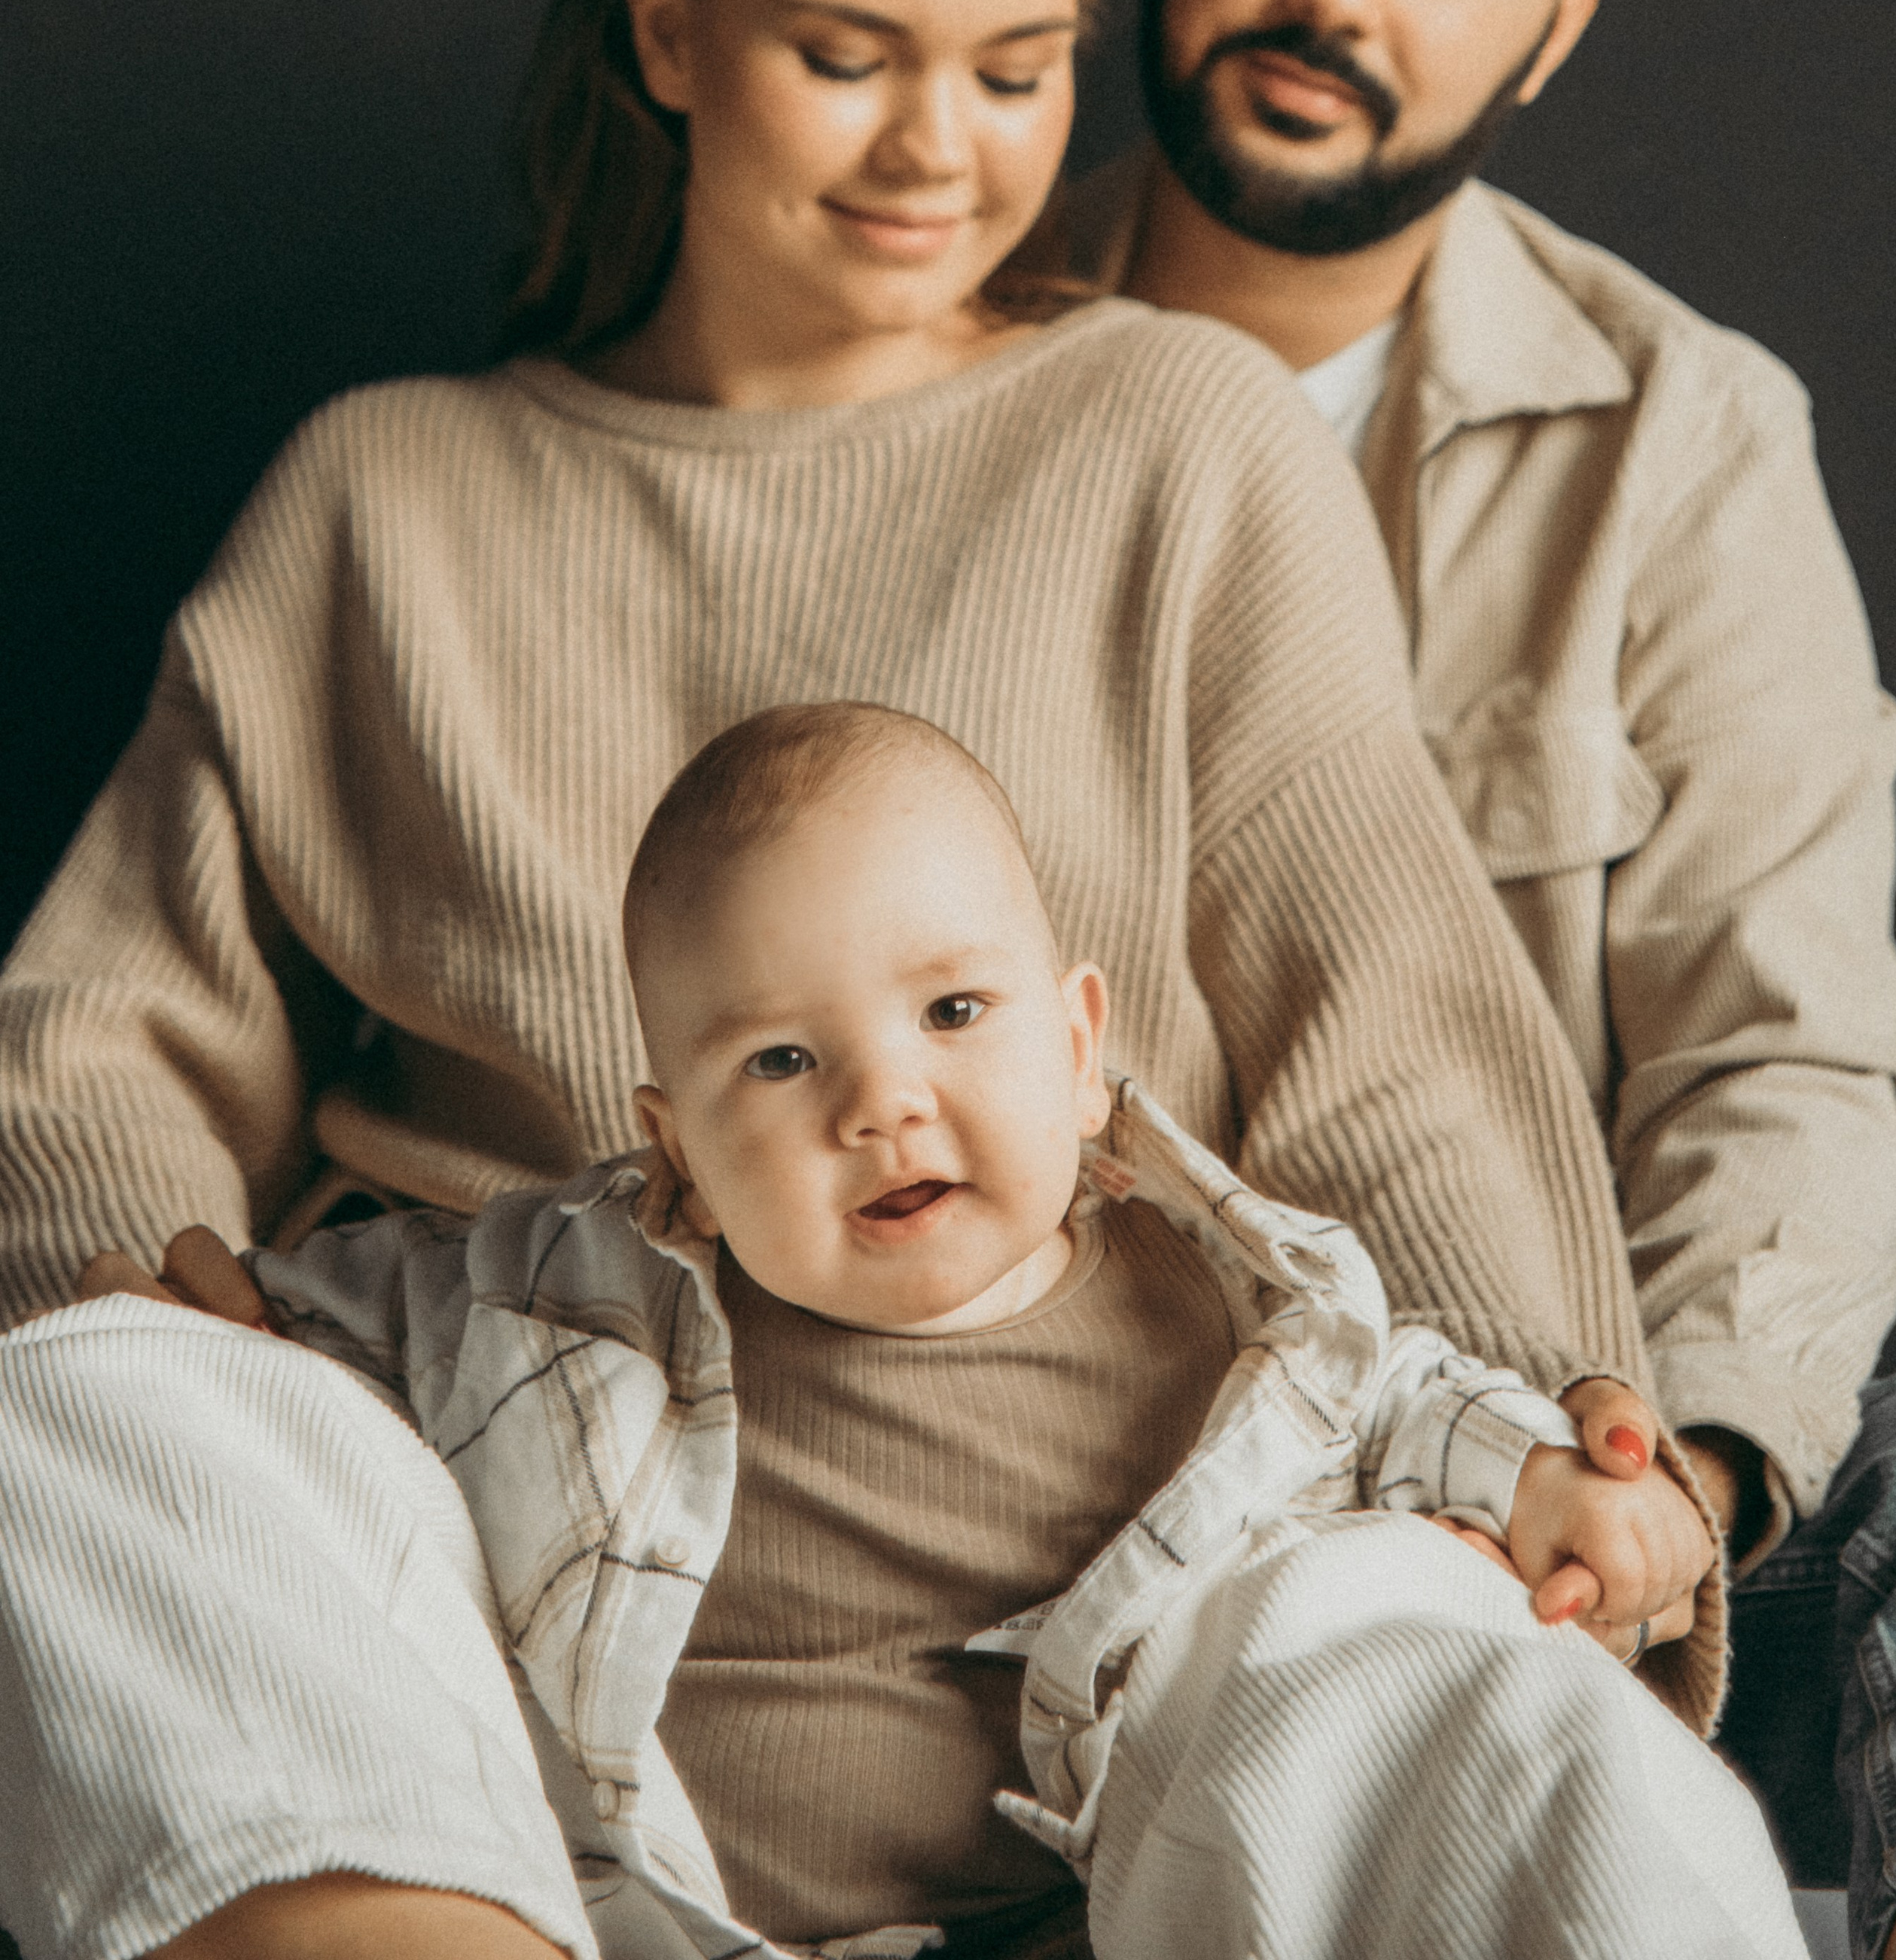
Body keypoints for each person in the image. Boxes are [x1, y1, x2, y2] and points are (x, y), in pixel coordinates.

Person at [0, 0, 1691, 1953]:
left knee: (1426, 1638)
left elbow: (1382, 1008)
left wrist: (1561, 1424)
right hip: (502, 1538)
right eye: (846, 55)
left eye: (1013, 69)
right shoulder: (385, 498)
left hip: (1127, 1564)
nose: (938, 152)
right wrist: (137, 1291)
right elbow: (105, 1033)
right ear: (671, 30)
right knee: (75, 1408)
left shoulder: (1179, 440)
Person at [1, 705, 1797, 1960]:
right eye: (782, 1060)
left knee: (1393, 1599)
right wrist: (191, 1344)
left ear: (1080, 1046)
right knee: (85, 1388)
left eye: (952, 1011)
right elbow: (281, 1385)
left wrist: (1573, 1490)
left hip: (1139, 1916)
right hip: (647, 1921)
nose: (882, 1100)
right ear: (678, 1151)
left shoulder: (1244, 1316)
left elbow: (1414, 1404)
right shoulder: (551, 1292)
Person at [1033, 0, 1896, 1955]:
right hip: (1068, 1435)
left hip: (1565, 1454)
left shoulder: (1682, 440)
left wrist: (1671, 1474)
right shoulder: (919, 344)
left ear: (1556, 24)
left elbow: (1783, 1049)